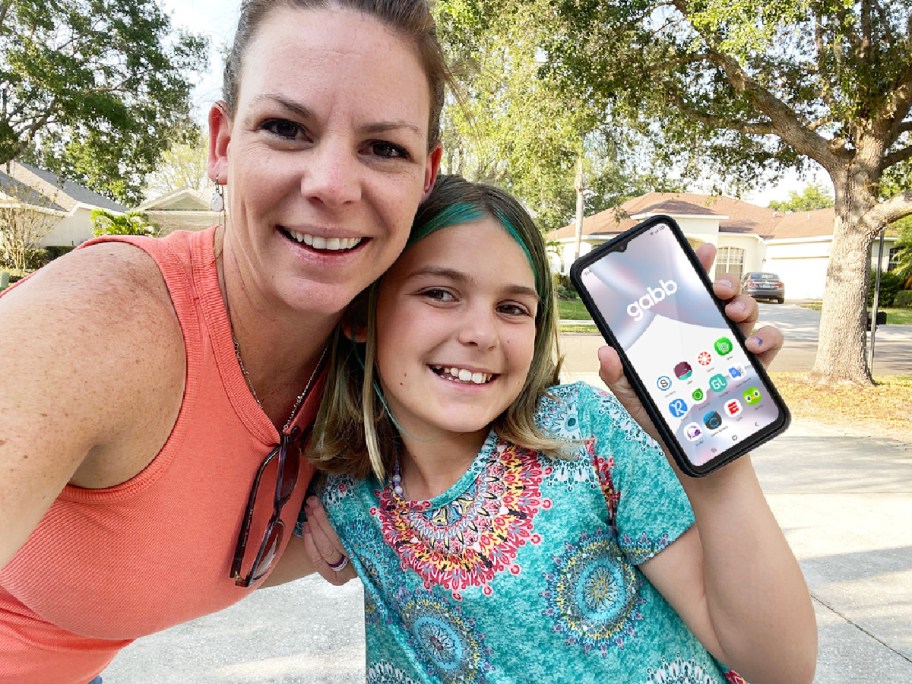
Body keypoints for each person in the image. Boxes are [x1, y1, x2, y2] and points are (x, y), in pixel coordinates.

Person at [0, 1, 447, 681]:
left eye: (384, 147)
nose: (330, 184)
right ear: (222, 145)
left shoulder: (388, 366)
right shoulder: (101, 324)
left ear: (426, 177)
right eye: (286, 128)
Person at [301, 175, 818, 683]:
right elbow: (231, 567)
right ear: (360, 315)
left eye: (512, 308)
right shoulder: (347, 496)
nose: (481, 334)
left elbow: (778, 668)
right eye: (439, 293)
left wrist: (718, 473)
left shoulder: (583, 434)